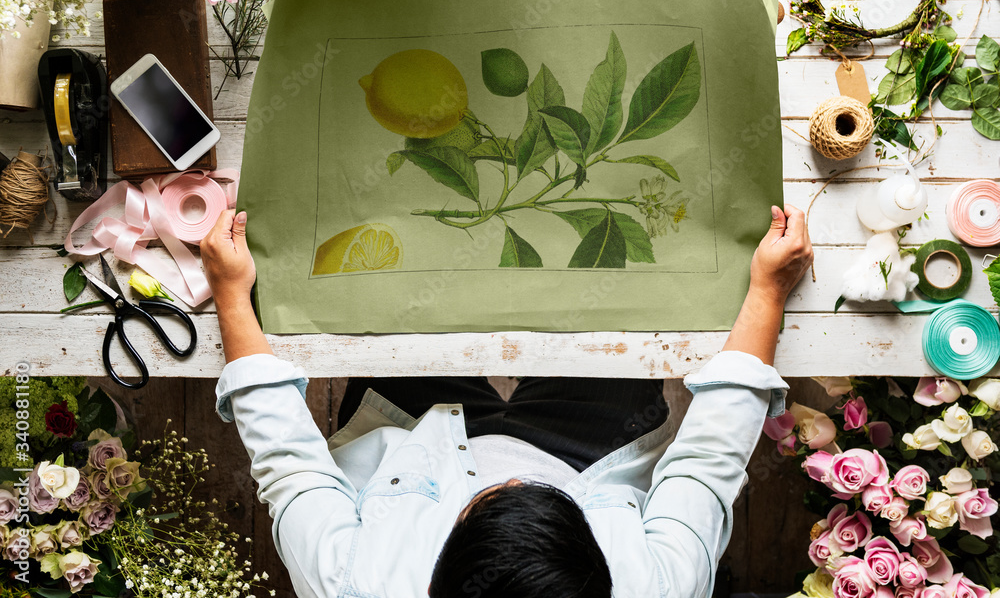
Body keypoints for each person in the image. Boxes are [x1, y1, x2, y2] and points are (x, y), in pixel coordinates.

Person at [201, 203, 813, 598]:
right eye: (538, 496)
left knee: (399, 244)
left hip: (416, 440)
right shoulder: (657, 587)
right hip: (590, 457)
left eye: (493, 496)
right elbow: (707, 462)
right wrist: (765, 293)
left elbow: (290, 465)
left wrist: (230, 294)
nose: (515, 475)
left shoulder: (358, 583)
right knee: (615, 269)